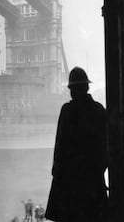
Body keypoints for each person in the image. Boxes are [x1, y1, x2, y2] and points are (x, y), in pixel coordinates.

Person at [45, 67, 108, 222]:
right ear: (87, 87)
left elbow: (60, 146)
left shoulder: (67, 111)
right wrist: (100, 169)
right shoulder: (99, 110)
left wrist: (57, 172)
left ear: (72, 90)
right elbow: (107, 146)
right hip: (93, 182)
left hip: (70, 185)